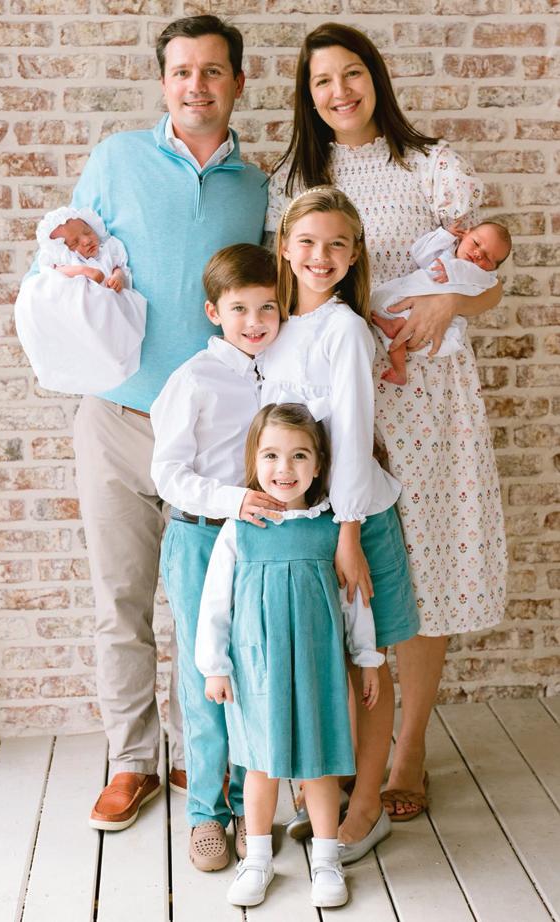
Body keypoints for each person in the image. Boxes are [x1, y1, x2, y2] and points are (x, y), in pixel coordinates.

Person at [22, 14, 269, 832]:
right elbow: (65, 252)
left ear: (237, 82)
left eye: (212, 71)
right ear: (163, 82)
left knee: (208, 606)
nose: (196, 85)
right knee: (120, 601)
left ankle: (203, 755)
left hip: (211, 433)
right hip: (116, 417)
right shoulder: (116, 158)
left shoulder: (256, 187)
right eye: (181, 72)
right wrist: (77, 266)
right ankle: (131, 762)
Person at [267, 22, 507, 827]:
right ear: (307, 96)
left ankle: (409, 750)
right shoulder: (294, 178)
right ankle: (342, 749)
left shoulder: (428, 164)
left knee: (425, 570)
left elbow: (486, 277)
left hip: (428, 395)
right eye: (321, 81)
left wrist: (449, 303)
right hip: (337, 393)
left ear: (375, 78)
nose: (339, 91)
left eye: (351, 73)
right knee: (351, 571)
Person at [262, 186, 419, 860]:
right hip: (304, 523)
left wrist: (348, 534)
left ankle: (367, 807)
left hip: (355, 520)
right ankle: (330, 787)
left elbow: (352, 434)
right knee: (322, 662)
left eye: (336, 244)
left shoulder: (345, 329)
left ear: (354, 255)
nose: (320, 255)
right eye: (306, 241)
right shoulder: (272, 329)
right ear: (284, 248)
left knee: (368, 663)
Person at [196, 403, 385, 908]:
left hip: (319, 670)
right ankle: (257, 860)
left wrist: (367, 658)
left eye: (300, 455)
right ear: (254, 461)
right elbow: (215, 603)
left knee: (319, 768)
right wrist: (215, 667)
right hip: (258, 670)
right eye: (272, 455)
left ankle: (326, 860)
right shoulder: (240, 529)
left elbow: (354, 600)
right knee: (261, 767)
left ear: (319, 465)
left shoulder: (330, 529)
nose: (285, 468)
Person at [149, 244, 283, 870]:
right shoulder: (194, 380)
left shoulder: (280, 371)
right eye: (240, 309)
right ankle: (207, 813)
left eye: (267, 308)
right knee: (207, 674)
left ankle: (250, 807)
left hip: (261, 540)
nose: (254, 322)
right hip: (201, 536)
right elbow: (168, 473)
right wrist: (233, 500)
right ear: (214, 312)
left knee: (254, 671)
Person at [15, 206, 147, 395]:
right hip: (83, 311)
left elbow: (119, 267)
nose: (86, 240)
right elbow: (54, 273)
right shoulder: (66, 262)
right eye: (74, 242)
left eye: (87, 232)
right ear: (62, 250)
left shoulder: (108, 251)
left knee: (116, 338)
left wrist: (118, 277)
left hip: (110, 309)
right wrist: (85, 271)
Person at [372, 220, 512, 384]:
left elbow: (474, 275)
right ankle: (399, 370)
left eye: (487, 257)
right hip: (411, 296)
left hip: (437, 317)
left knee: (402, 333)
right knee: (391, 322)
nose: (478, 253)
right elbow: (420, 253)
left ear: (493, 268)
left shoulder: (482, 276)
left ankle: (399, 354)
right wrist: (445, 236)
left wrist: (452, 271)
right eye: (476, 243)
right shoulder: (446, 252)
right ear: (465, 233)